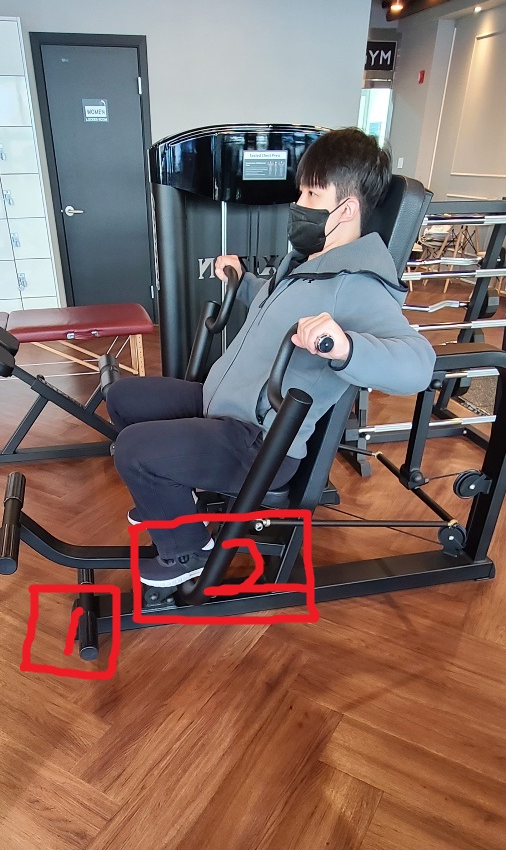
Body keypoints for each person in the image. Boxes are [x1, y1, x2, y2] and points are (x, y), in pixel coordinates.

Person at [107, 127, 436, 589]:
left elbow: (419, 365)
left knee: (135, 451)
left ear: (346, 209)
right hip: (222, 402)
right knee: (122, 399)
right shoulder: (311, 264)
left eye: (311, 194)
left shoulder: (358, 283)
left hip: (258, 442)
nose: (298, 204)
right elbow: (275, 306)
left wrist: (344, 347)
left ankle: (186, 553)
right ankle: (174, 498)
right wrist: (242, 282)